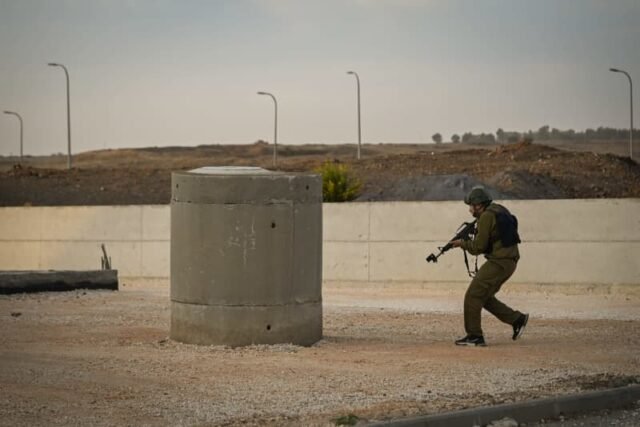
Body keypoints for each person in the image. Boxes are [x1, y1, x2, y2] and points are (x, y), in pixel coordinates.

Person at [450, 187, 528, 347]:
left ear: (479, 205)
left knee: (472, 296)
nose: (470, 209)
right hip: (508, 261)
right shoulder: (499, 210)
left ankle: (474, 336)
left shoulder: (486, 216)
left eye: (471, 206)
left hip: (499, 262)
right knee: (483, 297)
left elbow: (478, 247)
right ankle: (517, 319)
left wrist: (462, 244)